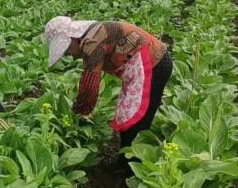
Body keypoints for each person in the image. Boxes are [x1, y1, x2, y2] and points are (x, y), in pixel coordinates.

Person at [44, 17, 173, 148]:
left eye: (66, 50)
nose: (69, 55)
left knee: (137, 122)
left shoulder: (92, 42)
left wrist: (79, 113)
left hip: (154, 65)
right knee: (127, 113)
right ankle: (127, 156)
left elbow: (90, 86)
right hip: (143, 68)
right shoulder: (91, 33)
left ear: (72, 38)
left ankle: (130, 162)